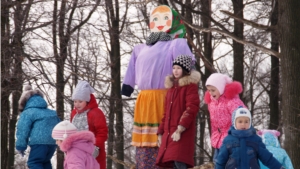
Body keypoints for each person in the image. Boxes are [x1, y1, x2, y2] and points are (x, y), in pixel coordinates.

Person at [121, 5, 194, 168]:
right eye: (156, 19)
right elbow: (132, 67)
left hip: (165, 96)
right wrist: (128, 85)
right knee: (145, 140)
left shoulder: (176, 44)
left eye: (165, 19)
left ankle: (162, 162)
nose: (160, 23)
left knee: (163, 134)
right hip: (144, 100)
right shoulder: (140, 48)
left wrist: (185, 87)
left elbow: (187, 68)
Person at [155, 55, 200, 169]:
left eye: (178, 68)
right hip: (169, 134)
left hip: (182, 133)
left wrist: (180, 128)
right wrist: (160, 132)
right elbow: (166, 114)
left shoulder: (190, 86)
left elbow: (191, 107)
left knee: (179, 161)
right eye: (174, 67)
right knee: (169, 163)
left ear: (185, 70)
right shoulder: (171, 89)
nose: (175, 70)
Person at [215, 107, 285, 169]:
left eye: (246, 121)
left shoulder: (255, 140)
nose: (243, 124)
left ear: (250, 122)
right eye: (240, 121)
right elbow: (221, 161)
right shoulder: (228, 141)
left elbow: (267, 158)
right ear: (234, 123)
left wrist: (279, 167)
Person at [16, 85, 60, 169]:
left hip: (39, 142)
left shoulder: (27, 112)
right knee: (45, 162)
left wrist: (21, 146)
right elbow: (59, 124)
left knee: (34, 162)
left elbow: (22, 130)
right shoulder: (51, 112)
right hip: (53, 142)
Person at [204, 73, 245, 162]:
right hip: (218, 140)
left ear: (221, 88)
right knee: (217, 162)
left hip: (231, 140)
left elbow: (243, 119)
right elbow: (213, 123)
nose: (211, 93)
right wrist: (214, 135)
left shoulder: (232, 101)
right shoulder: (212, 103)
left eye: (213, 90)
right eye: (209, 90)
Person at [70, 80, 108, 169]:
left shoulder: (96, 113)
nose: (77, 104)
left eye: (80, 101)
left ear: (87, 100)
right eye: (75, 101)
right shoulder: (74, 113)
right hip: (78, 152)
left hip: (95, 152)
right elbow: (72, 130)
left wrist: (96, 147)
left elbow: (102, 133)